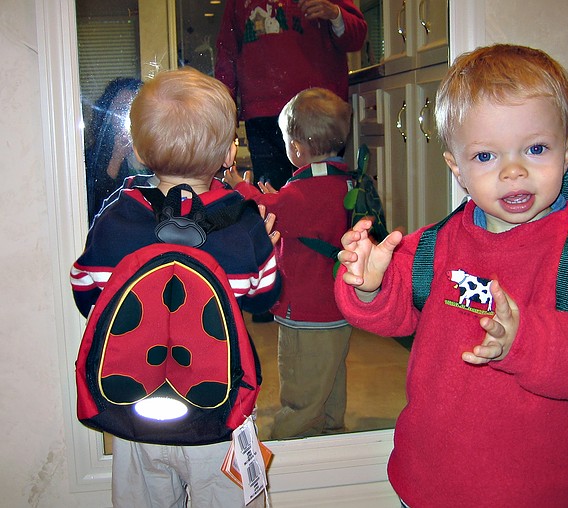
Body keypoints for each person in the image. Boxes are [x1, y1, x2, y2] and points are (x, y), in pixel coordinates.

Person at [334, 44, 568, 507]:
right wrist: (369, 285)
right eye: (486, 157)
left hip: (542, 489)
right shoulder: (433, 246)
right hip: (429, 481)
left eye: (536, 148)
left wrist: (525, 339)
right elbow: (392, 315)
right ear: (456, 167)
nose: (514, 170)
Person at [70, 66, 281, 508]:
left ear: (142, 152)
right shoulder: (242, 222)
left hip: (133, 409)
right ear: (229, 154)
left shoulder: (115, 218)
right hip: (218, 412)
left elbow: (86, 293)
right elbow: (265, 297)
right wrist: (268, 250)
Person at [223, 87, 355, 439]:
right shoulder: (344, 183)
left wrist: (239, 186)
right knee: (330, 380)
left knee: (301, 391)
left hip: (306, 315)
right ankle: (332, 432)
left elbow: (268, 211)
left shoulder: (300, 194)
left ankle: (291, 440)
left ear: (296, 147)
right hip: (338, 311)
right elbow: (293, 209)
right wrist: (275, 197)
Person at [215, 0, 367, 190]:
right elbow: (227, 52)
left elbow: (357, 36)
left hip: (317, 112)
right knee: (275, 198)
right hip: (264, 113)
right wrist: (225, 117)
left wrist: (334, 14)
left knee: (322, 193)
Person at [84, 77, 145, 223]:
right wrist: (116, 158)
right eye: (124, 109)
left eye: (137, 109)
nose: (131, 116)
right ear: (108, 115)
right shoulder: (93, 156)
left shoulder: (161, 150)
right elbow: (95, 207)